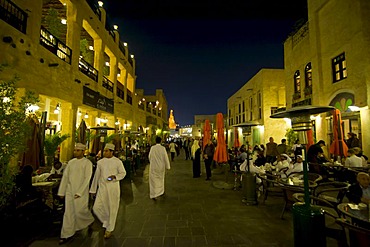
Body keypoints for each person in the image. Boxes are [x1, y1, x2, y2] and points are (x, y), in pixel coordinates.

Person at [57, 143, 94, 244]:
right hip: (70, 190)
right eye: (75, 150)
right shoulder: (71, 163)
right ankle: (66, 234)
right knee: (68, 213)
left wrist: (80, 192)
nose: (75, 152)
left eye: (78, 150)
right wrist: (62, 191)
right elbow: (65, 177)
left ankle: (89, 220)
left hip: (81, 192)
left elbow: (87, 178)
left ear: (83, 152)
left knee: (79, 211)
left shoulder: (87, 163)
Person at [89, 143, 126, 239]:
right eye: (104, 151)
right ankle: (106, 221)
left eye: (106, 151)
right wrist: (93, 189)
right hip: (102, 188)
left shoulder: (117, 162)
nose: (104, 152)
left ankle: (110, 229)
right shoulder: (100, 162)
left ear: (111, 152)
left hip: (113, 188)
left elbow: (123, 173)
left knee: (112, 208)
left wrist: (115, 177)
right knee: (96, 208)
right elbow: (96, 176)